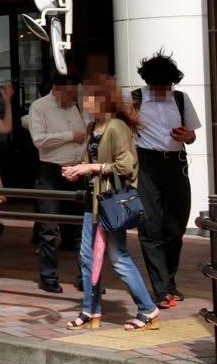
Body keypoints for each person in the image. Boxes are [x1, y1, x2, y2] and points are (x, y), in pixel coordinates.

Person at [63, 75, 159, 331]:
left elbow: (126, 166)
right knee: (86, 257)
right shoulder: (92, 127)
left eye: (89, 99)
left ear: (102, 99)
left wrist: (89, 167)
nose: (84, 103)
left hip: (109, 204)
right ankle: (90, 309)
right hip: (93, 203)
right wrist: (75, 170)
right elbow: (90, 163)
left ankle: (148, 308)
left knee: (117, 257)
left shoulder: (117, 127)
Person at [130, 50, 200, 309]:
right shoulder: (135, 99)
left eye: (166, 86)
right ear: (147, 83)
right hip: (147, 164)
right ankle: (161, 289)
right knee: (150, 227)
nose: (162, 90)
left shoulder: (181, 100)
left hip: (176, 164)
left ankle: (169, 281)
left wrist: (186, 136)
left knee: (176, 226)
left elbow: (193, 136)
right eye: (157, 86)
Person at [29, 74, 86, 293]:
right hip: (51, 172)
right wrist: (70, 135)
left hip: (77, 171)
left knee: (81, 228)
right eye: (69, 92)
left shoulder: (76, 106)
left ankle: (86, 276)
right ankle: (48, 277)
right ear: (56, 88)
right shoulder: (39, 107)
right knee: (49, 228)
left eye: (74, 92)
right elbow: (39, 140)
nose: (72, 97)